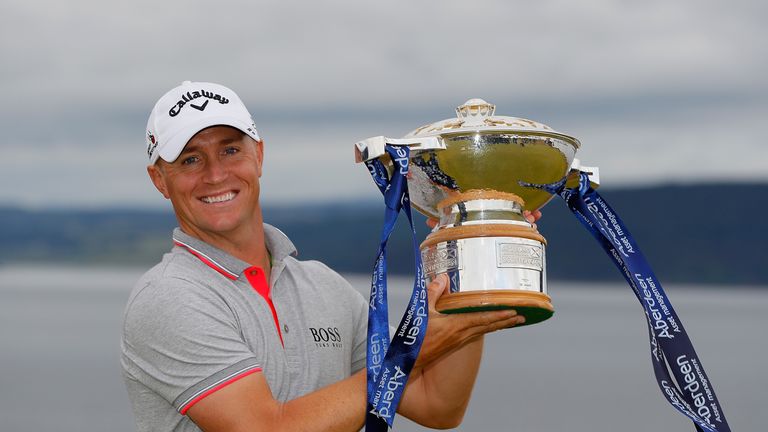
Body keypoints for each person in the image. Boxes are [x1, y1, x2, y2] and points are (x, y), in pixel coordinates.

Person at [121, 81, 534, 432]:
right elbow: (268, 428)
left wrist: (467, 254)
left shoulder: (321, 286)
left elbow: (437, 404)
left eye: (230, 150)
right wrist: (413, 351)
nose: (215, 174)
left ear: (258, 155)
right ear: (159, 179)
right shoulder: (169, 298)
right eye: (191, 159)